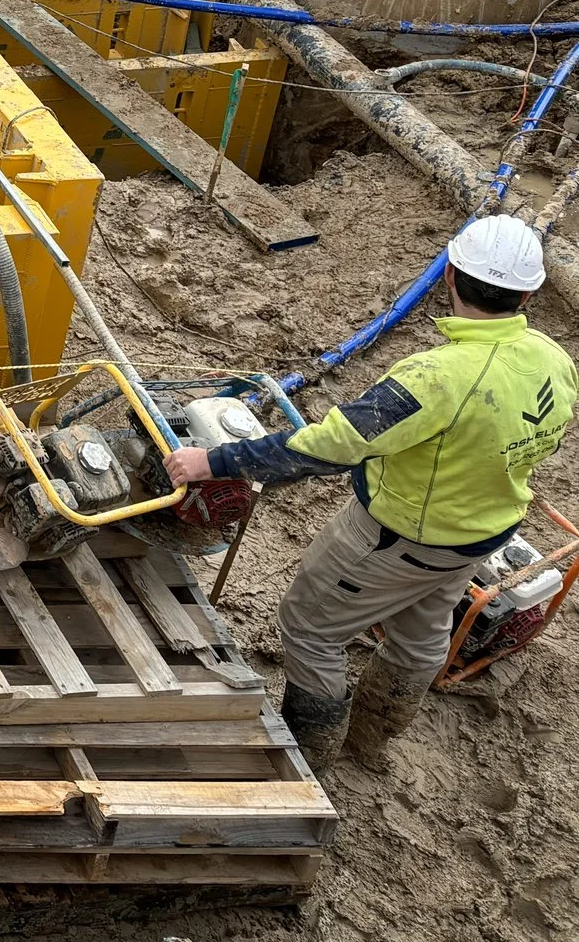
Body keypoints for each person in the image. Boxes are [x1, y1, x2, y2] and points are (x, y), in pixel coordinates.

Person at [162, 213, 572, 768]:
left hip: (395, 538)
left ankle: (313, 753)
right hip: (480, 535)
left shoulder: (436, 376)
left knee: (309, 630)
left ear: (449, 274)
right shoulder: (554, 359)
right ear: (528, 292)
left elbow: (329, 446)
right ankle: (371, 739)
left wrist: (215, 459)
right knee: (423, 636)